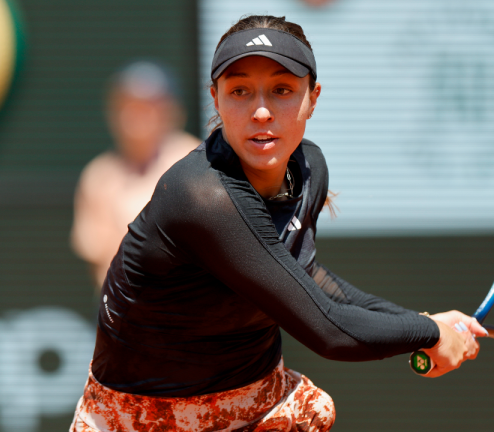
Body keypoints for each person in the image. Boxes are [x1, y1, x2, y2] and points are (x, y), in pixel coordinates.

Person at [70, 15, 487, 432]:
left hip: (261, 401)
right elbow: (329, 331)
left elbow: (306, 277)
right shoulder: (202, 196)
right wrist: (426, 332)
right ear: (215, 99)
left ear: (313, 97)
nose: (262, 111)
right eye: (239, 91)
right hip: (139, 420)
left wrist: (423, 321)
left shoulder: (310, 168)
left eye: (283, 90)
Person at [71, 61, 200, 291]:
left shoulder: (198, 163)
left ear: (170, 111)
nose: (134, 117)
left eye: (147, 106)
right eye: (126, 105)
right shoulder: (98, 177)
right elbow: (101, 262)